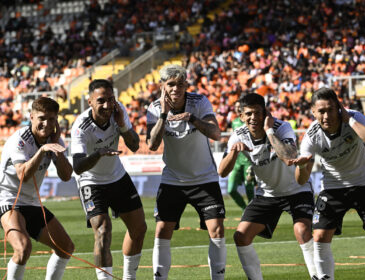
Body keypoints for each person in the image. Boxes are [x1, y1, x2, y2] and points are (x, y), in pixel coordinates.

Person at [218, 93, 317, 280]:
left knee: (302, 231)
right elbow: (222, 172)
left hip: (297, 189)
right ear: (241, 116)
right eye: (248, 114)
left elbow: (289, 157)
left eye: (257, 113)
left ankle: (319, 277)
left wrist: (270, 132)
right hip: (268, 194)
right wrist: (233, 152)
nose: (253, 118)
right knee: (241, 236)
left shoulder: (282, 127)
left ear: (265, 113)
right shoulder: (238, 135)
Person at [290, 87, 365, 280]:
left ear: (339, 107)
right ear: (313, 112)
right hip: (333, 187)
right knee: (320, 237)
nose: (326, 116)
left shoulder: (354, 117)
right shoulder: (311, 137)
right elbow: (301, 180)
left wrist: (350, 120)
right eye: (321, 111)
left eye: (330, 109)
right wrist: (302, 167)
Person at [147, 64, 226, 280]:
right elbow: (152, 144)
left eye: (180, 84)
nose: (175, 89)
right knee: (162, 230)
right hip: (173, 179)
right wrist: (163, 116)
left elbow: (216, 133)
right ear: (162, 86)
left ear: (186, 85)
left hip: (204, 178)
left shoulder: (199, 102)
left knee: (217, 230)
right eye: (170, 84)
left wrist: (190, 118)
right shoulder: (154, 108)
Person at [71, 79, 147, 280]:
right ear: (90, 102)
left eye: (110, 99)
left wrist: (122, 124)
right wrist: (99, 154)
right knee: (103, 231)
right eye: (101, 100)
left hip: (117, 176)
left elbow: (134, 145)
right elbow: (77, 167)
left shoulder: (118, 111)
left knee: (139, 228)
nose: (107, 105)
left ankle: (129, 277)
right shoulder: (81, 126)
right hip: (91, 181)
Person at [0, 97, 74, 279]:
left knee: (66, 247)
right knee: (23, 248)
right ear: (31, 117)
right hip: (8, 199)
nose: (46, 124)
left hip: (31, 202)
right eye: (41, 118)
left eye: (51, 119)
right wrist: (42, 151)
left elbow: (66, 176)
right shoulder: (20, 140)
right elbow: (23, 176)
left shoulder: (54, 140)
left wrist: (57, 150)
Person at [228, 101, 256, 210]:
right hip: (236, 161)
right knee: (231, 189)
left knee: (249, 189)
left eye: (239, 107)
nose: (237, 108)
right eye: (236, 107)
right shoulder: (234, 122)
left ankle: (252, 213)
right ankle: (245, 210)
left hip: (248, 160)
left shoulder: (250, 122)